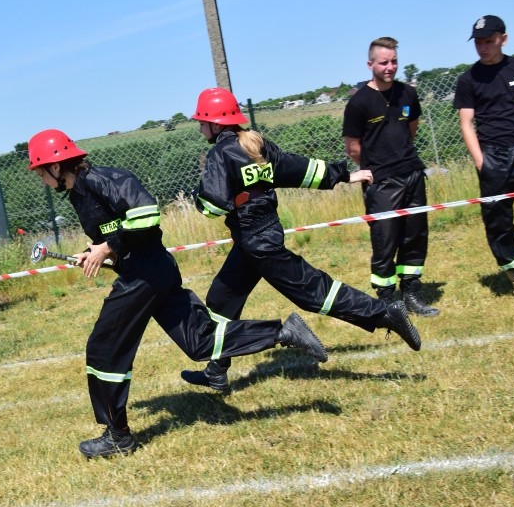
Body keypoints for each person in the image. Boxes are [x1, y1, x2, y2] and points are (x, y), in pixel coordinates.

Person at [27, 128, 329, 459]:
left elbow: (147, 216)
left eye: (39, 171)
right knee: (201, 341)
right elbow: (117, 230)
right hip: (148, 271)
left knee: (103, 348)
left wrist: (109, 247)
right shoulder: (80, 193)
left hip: (145, 274)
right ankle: (283, 331)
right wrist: (97, 250)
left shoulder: (103, 180)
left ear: (56, 167)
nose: (40, 179)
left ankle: (118, 436)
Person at [181, 87, 423, 393]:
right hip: (258, 236)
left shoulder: (220, 153)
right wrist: (345, 175)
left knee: (313, 292)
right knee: (221, 298)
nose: (199, 126)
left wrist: (197, 196)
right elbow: (299, 169)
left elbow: (213, 206)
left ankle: (384, 313)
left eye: (202, 121)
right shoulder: (255, 143)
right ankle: (217, 369)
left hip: (257, 241)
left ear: (216, 124)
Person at [453, 15, 514, 302]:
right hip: (493, 158)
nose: (483, 47)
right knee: (498, 224)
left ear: (503, 39)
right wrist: (481, 161)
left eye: (489, 41)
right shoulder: (468, 79)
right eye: (479, 42)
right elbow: (466, 123)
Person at [342, 37, 439, 316]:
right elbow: (353, 147)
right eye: (384, 62)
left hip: (412, 174)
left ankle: (411, 293)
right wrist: (377, 168)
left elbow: (412, 128)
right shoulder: (359, 103)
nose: (390, 67)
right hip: (381, 182)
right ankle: (387, 300)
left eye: (394, 61)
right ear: (370, 64)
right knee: (385, 240)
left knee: (415, 236)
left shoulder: (408, 93)